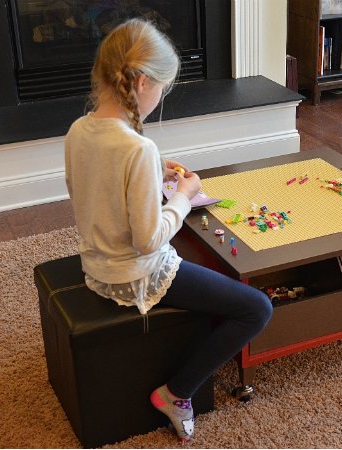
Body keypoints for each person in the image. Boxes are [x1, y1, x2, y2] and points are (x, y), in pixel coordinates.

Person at [64, 18, 272, 442]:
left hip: (96, 265)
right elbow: (148, 239)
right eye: (163, 88)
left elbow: (96, 188)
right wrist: (184, 194)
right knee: (256, 308)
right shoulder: (137, 147)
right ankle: (176, 392)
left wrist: (155, 171)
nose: (160, 97)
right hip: (133, 274)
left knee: (214, 274)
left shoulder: (79, 129)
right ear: (142, 83)